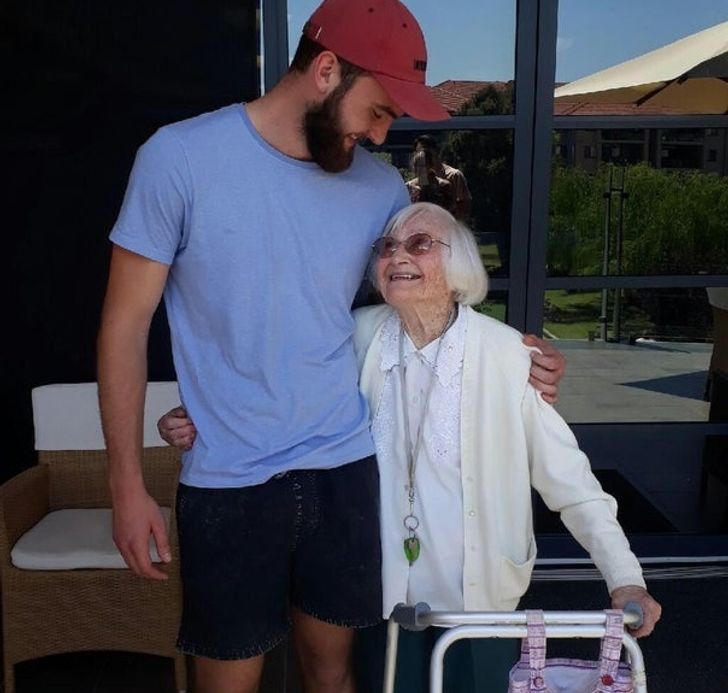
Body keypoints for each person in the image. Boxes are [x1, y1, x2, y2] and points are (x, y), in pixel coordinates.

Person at [97, 0, 567, 690]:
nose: (382, 134)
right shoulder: (179, 159)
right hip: (229, 483)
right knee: (226, 683)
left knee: (333, 674)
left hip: (344, 469)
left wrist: (516, 363)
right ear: (325, 71)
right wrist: (125, 484)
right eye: (377, 110)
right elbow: (123, 327)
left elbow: (430, 306)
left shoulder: (376, 189)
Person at [159, 203, 661, 692]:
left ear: (459, 264)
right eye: (387, 247)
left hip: (479, 598)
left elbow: (570, 483)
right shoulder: (356, 336)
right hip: (383, 590)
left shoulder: (508, 354)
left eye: (420, 244)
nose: (398, 256)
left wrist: (624, 578)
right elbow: (283, 393)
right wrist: (206, 419)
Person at [414, 134, 472, 221]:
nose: (423, 156)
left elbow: (464, 207)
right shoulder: (414, 183)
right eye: (419, 153)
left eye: (426, 152)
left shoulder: (454, 175)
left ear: (435, 152)